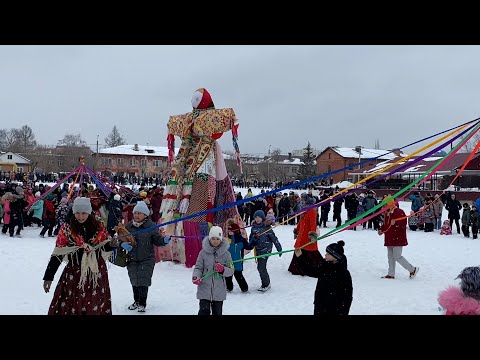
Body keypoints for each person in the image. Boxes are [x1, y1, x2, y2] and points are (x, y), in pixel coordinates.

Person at [157, 88, 244, 267]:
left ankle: (179, 246)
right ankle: (200, 249)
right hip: (204, 164)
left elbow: (172, 123)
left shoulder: (187, 119)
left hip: (186, 161)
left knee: (183, 200)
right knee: (202, 202)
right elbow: (229, 117)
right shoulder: (207, 120)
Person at [42, 197, 117, 315]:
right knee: (71, 304)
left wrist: (111, 245)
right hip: (74, 273)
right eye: (77, 212)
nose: (80, 216)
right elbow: (58, 254)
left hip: (95, 273)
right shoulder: (67, 229)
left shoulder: (99, 226)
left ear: (89, 212)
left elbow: (103, 247)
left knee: (94, 304)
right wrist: (49, 276)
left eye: (84, 213)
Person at [123, 200, 170, 313]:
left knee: (143, 281)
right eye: (135, 213)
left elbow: (157, 240)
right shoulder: (128, 226)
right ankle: (136, 301)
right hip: (132, 259)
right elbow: (121, 238)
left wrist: (163, 240)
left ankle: (142, 303)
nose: (136, 215)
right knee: (134, 281)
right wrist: (122, 244)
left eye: (139, 213)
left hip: (147, 259)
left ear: (145, 215)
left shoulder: (151, 226)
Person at [294, 240, 353, 315]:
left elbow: (347, 296)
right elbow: (309, 270)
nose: (325, 255)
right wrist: (300, 256)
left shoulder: (344, 273)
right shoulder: (325, 267)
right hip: (320, 306)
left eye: (328, 254)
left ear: (335, 257)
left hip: (335, 309)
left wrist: (343, 311)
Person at [192, 226, 234, 315]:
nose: (215, 241)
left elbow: (231, 270)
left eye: (217, 239)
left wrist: (223, 270)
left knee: (217, 312)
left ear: (221, 239)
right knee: (203, 312)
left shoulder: (226, 254)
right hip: (204, 289)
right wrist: (196, 276)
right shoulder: (203, 253)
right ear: (209, 239)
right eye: (213, 238)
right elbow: (198, 268)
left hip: (219, 290)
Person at [377, 197, 419, 279]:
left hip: (398, 238)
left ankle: (412, 269)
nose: (384, 206)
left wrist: (396, 223)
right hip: (389, 237)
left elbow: (403, 224)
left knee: (397, 256)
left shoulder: (399, 211)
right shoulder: (387, 213)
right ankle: (391, 274)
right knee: (390, 257)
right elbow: (386, 224)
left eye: (386, 204)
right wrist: (381, 230)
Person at [248, 210, 282, 292]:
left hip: (266, 250)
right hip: (258, 249)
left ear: (262, 218)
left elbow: (274, 238)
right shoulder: (254, 228)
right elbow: (251, 240)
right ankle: (266, 283)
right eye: (256, 217)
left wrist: (279, 248)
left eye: (259, 217)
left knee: (261, 267)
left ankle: (266, 284)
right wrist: (253, 240)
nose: (257, 219)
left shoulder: (266, 227)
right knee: (260, 267)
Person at [288, 194, 321, 276]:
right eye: (301, 200)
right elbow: (300, 221)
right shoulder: (303, 209)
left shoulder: (312, 210)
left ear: (307, 200)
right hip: (301, 235)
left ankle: (308, 268)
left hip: (307, 235)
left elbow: (313, 224)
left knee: (308, 251)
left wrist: (312, 234)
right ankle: (297, 268)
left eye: (303, 200)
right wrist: (297, 229)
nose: (301, 201)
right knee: (298, 250)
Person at [225, 218, 252, 293]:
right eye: (228, 231)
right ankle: (228, 287)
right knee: (228, 274)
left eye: (230, 231)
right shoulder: (227, 240)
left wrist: (254, 240)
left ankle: (244, 288)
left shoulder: (240, 239)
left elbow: (248, 247)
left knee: (238, 274)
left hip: (238, 260)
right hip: (228, 260)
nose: (229, 232)